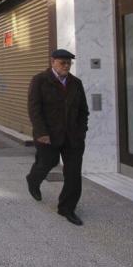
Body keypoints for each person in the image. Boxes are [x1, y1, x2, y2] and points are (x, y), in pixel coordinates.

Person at [26, 49, 89, 226]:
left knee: (73, 174)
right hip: (48, 136)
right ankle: (33, 179)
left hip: (73, 138)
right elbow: (34, 109)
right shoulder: (40, 80)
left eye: (69, 63)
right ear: (53, 61)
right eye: (63, 62)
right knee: (47, 163)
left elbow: (83, 111)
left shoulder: (76, 83)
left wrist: (82, 131)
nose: (67, 66)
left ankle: (67, 208)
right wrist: (41, 133)